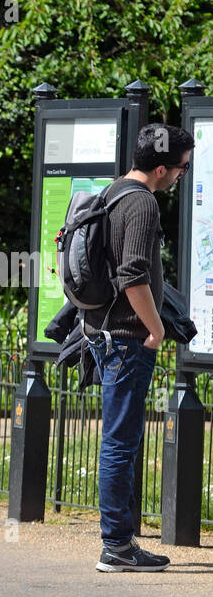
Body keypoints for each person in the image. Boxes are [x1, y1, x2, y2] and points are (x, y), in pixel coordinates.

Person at [84, 123, 194, 572]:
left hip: (103, 333)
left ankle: (122, 542)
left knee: (121, 438)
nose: (182, 175)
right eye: (182, 168)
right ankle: (116, 546)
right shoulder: (143, 203)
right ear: (163, 167)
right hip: (127, 338)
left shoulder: (113, 192)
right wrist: (156, 329)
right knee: (120, 441)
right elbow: (133, 275)